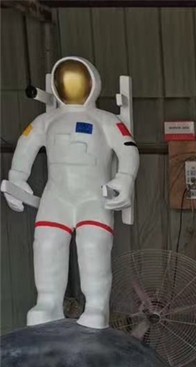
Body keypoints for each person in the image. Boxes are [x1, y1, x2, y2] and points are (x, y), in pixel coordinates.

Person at [3, 56, 139, 329]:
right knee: (46, 244)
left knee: (92, 246)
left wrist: (124, 179)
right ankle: (48, 302)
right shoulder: (45, 120)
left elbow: (128, 149)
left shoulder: (106, 120)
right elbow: (25, 145)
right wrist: (17, 178)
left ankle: (97, 305)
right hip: (56, 197)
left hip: (94, 197)